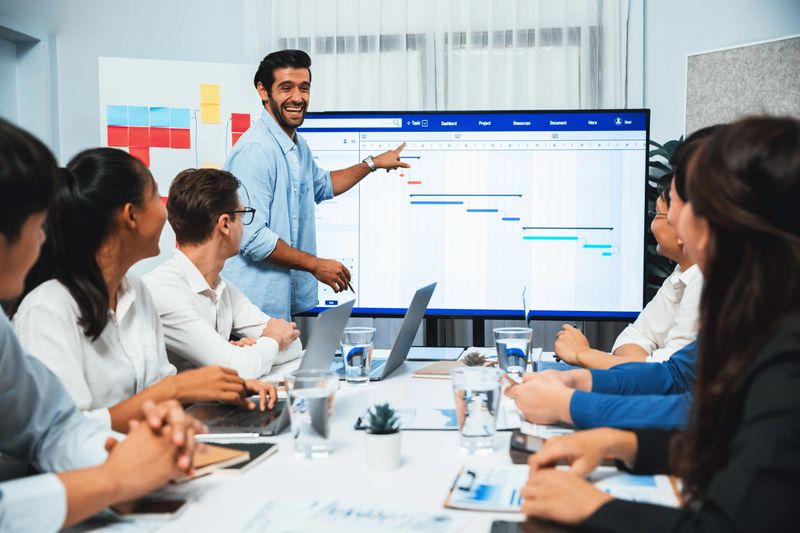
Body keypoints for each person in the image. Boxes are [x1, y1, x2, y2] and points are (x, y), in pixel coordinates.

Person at [520, 116, 800, 530]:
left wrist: (595, 509)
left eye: (682, 202)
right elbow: (720, 425)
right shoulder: (763, 313)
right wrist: (627, 443)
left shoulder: (787, 350)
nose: (671, 221)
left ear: (723, 219)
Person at [0, 117, 204, 531]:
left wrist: (141, 457)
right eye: (37, 225)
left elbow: (54, 430)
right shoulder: (45, 308)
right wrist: (112, 479)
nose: (45, 239)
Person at [13, 148, 276, 434]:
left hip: (149, 456)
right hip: (97, 472)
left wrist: (216, 388)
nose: (166, 211)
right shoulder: (47, 310)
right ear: (131, 216)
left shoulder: (135, 290)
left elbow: (158, 391)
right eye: (155, 196)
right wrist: (178, 389)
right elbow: (63, 435)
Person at [506, 126, 721, 429]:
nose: (671, 218)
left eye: (676, 204)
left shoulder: (759, 300)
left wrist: (571, 399)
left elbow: (698, 409)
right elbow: (675, 377)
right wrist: (578, 382)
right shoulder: (727, 280)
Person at [222, 49, 410, 320]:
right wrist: (315, 265)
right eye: (286, 88)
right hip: (251, 312)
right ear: (263, 91)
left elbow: (322, 185)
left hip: (277, 311)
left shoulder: (296, 146)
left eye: (304, 88)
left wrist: (372, 163)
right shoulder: (256, 150)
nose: (298, 98)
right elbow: (251, 238)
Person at [144, 168, 302, 379]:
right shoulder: (165, 291)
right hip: (178, 409)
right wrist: (269, 341)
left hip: (207, 406)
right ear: (225, 224)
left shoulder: (220, 286)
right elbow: (240, 369)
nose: (245, 227)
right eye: (243, 215)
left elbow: (293, 342)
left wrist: (254, 350)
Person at [553, 172, 702, 369]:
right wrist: (637, 366)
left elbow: (670, 373)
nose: (652, 224)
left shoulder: (705, 280)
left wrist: (583, 354)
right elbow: (635, 336)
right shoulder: (681, 274)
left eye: (658, 214)